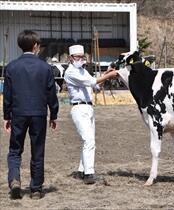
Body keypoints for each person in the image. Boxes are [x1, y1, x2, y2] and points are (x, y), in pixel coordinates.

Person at [3, 30, 59, 199]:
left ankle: (14, 180)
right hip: (38, 114)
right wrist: (53, 114)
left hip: (18, 113)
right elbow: (51, 94)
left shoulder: (11, 67)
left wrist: (7, 116)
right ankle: (35, 188)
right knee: (37, 150)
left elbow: (8, 94)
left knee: (15, 150)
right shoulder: (45, 67)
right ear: (35, 46)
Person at [64, 45, 118, 184]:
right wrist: (108, 75)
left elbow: (97, 87)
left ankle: (82, 170)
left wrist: (105, 75)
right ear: (71, 58)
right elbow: (92, 82)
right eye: (78, 57)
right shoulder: (70, 72)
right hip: (79, 108)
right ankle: (89, 174)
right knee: (89, 140)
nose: (81, 59)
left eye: (82, 56)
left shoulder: (83, 71)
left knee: (87, 140)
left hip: (88, 107)